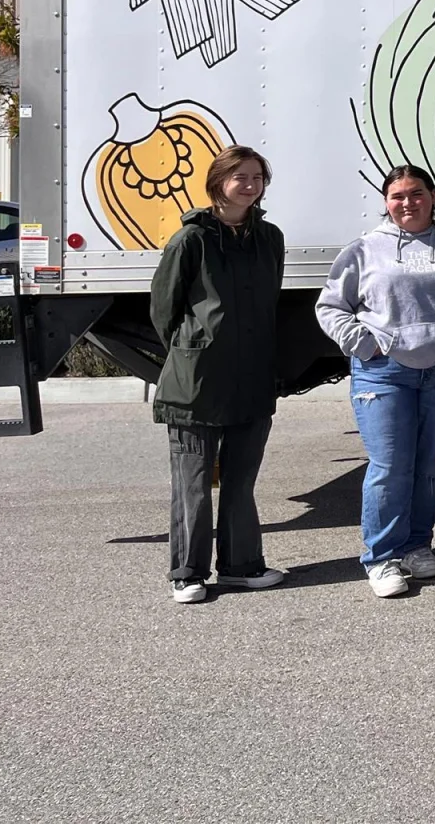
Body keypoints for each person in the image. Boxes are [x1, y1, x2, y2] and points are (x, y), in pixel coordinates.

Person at [315, 165, 435, 599]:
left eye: (416, 193)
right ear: (386, 201)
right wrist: (364, 343)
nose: (408, 202)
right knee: (389, 466)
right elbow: (330, 307)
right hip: (384, 373)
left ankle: (418, 545)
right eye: (398, 195)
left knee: (429, 466)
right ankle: (382, 557)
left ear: (432, 196)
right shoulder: (364, 250)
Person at [150, 146, 288, 602]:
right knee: (193, 481)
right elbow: (164, 311)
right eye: (239, 177)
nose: (249, 185)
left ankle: (241, 566)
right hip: (197, 381)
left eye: (256, 177)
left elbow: (270, 302)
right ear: (218, 183)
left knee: (241, 479)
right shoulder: (191, 240)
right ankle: (188, 573)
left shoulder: (269, 237)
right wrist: (197, 346)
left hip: (252, 377)